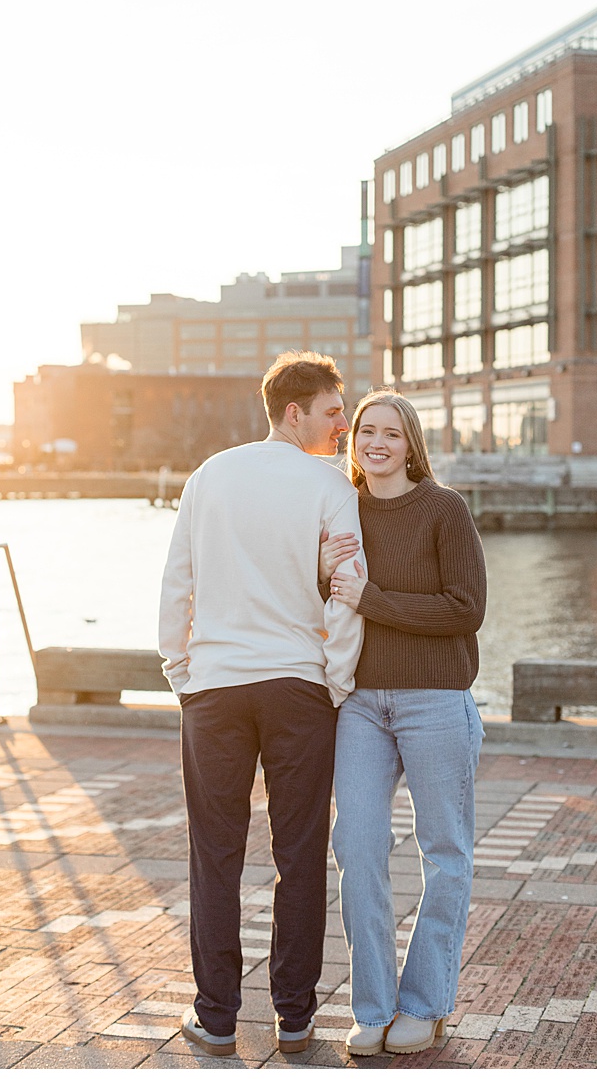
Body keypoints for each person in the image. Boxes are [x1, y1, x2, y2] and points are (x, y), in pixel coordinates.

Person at [158, 351, 366, 1058]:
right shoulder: (329, 486)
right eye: (333, 412)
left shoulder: (209, 475)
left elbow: (175, 584)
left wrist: (180, 671)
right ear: (293, 412)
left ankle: (215, 1017)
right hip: (298, 689)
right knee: (300, 854)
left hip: (214, 689)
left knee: (214, 855)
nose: (344, 425)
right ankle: (295, 1015)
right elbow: (348, 593)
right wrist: (335, 681)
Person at [317, 390, 486, 1056]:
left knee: (445, 853)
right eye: (366, 431)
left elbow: (465, 609)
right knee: (356, 846)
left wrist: (372, 599)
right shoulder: (342, 509)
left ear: (411, 443)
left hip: (437, 699)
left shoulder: (445, 510)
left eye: (390, 432)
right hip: (359, 702)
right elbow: (326, 597)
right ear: (354, 440)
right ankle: (374, 1007)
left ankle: (425, 1003)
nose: (376, 442)